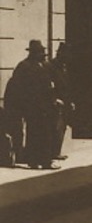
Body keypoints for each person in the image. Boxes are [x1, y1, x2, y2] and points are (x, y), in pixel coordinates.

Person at [8, 41, 56, 169]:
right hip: (32, 106)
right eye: (41, 52)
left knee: (45, 133)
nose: (44, 54)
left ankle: (44, 160)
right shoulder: (24, 66)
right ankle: (36, 161)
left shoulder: (44, 66)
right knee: (35, 133)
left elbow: (49, 85)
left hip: (45, 106)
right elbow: (17, 87)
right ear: (34, 53)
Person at [47, 43, 73, 160]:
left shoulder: (64, 66)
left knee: (62, 127)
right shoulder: (51, 66)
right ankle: (53, 152)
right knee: (55, 127)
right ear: (60, 53)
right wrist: (54, 99)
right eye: (66, 54)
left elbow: (67, 86)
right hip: (55, 103)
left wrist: (70, 101)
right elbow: (49, 85)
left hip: (64, 102)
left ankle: (57, 151)